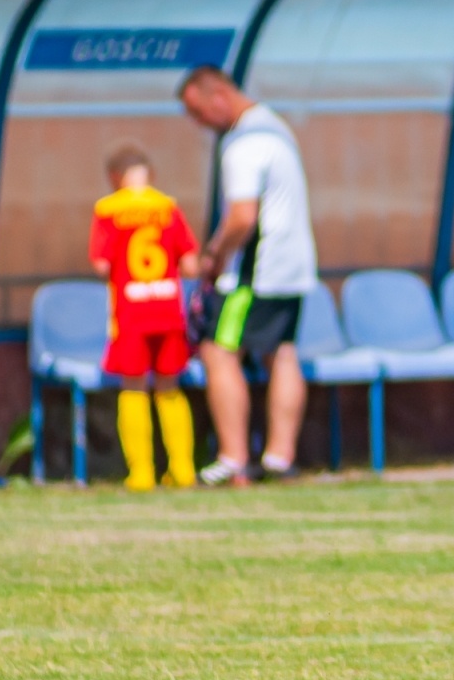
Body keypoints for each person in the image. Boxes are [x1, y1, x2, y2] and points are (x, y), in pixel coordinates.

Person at [177, 65, 315, 485]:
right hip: (292, 267)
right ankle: (279, 458)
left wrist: (214, 255)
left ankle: (233, 459)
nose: (199, 124)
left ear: (218, 95)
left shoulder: (244, 143)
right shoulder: (275, 128)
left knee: (218, 351)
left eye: (198, 113)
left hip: (255, 272)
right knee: (282, 352)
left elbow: (241, 217)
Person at [90, 145, 200, 491]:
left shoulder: (108, 211)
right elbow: (191, 262)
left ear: (114, 178)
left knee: (133, 387)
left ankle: (141, 472)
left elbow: (101, 265)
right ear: (150, 174)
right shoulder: (167, 207)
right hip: (169, 312)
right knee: (170, 387)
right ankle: (183, 469)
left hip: (131, 313)